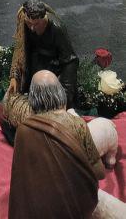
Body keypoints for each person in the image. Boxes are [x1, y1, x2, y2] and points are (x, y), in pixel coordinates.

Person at [8, 72, 125, 219]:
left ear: (32, 97)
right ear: (60, 92)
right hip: (74, 207)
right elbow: (99, 172)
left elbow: (20, 179)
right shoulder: (77, 125)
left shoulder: (24, 130)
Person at [4, 0, 78, 130]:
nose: (32, 28)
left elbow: (70, 61)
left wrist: (65, 97)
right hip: (33, 68)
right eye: (29, 23)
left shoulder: (57, 28)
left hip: (51, 72)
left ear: (44, 17)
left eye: (36, 24)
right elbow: (20, 48)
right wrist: (15, 76)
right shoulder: (25, 22)